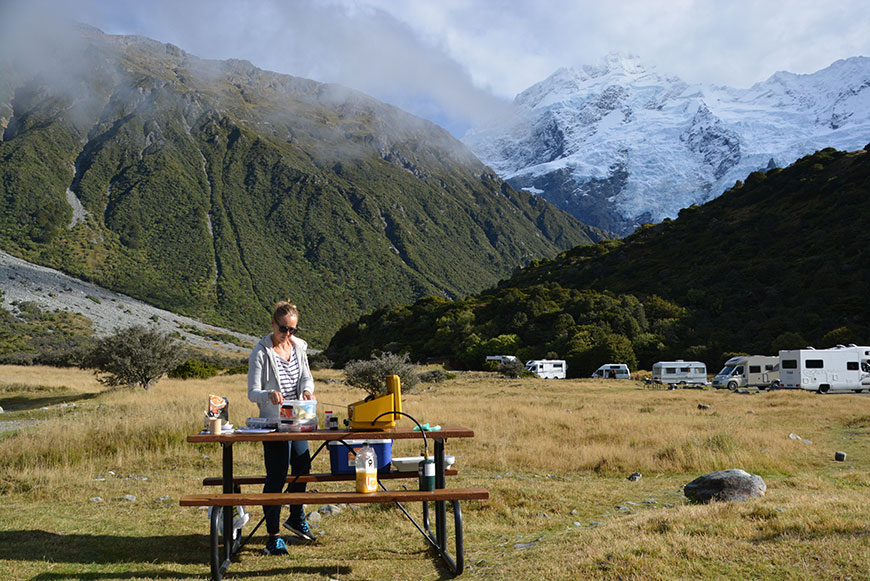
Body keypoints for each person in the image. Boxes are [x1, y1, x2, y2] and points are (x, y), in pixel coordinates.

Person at [248, 301, 316, 555]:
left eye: (293, 330)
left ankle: (296, 517)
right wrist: (269, 395)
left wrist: (307, 389)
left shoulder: (299, 348)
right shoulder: (260, 353)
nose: (288, 334)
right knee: (276, 475)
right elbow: (252, 393)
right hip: (274, 424)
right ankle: (273, 536)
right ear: (273, 325)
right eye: (284, 329)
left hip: (298, 419)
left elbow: (306, 376)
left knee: (302, 466)